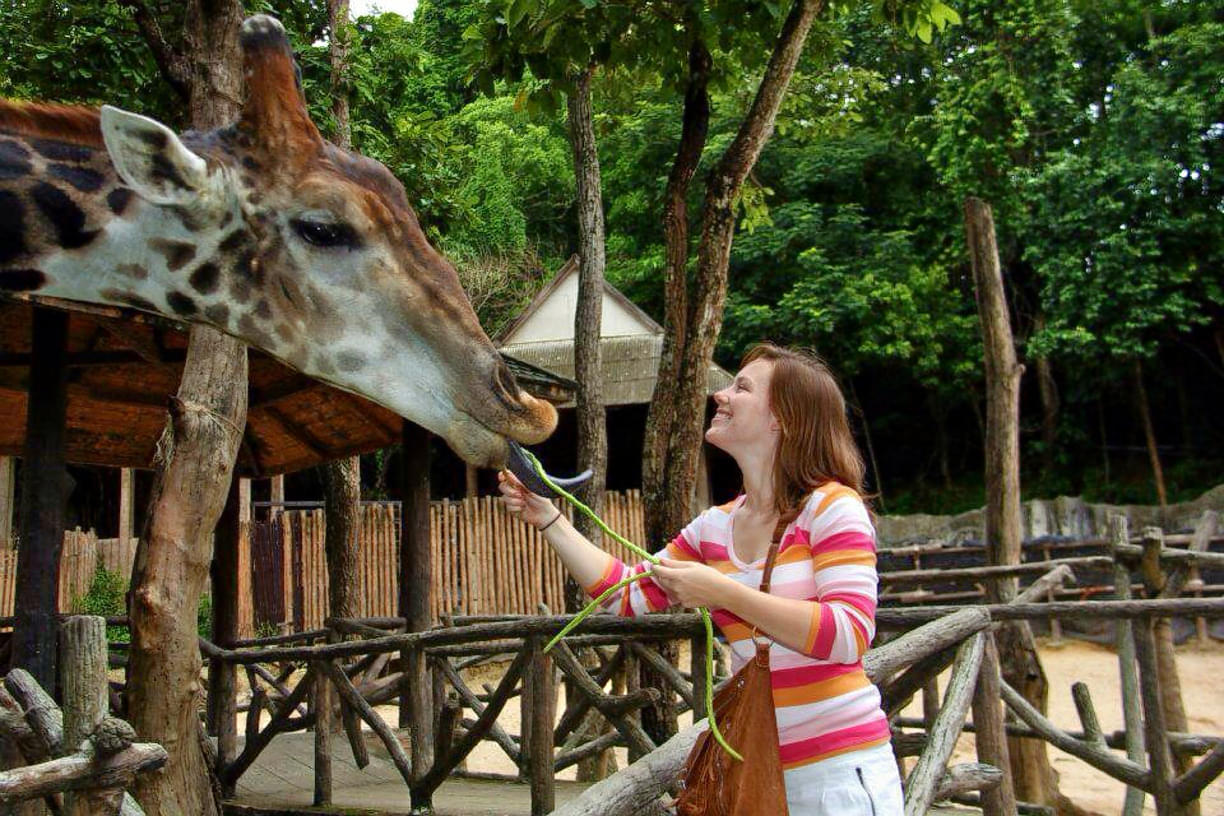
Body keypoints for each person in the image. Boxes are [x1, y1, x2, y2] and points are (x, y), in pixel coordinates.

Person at [498, 343, 903, 815]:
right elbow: (622, 595)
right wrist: (548, 518)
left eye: (742, 387)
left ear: (783, 420)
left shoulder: (833, 508)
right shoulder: (714, 527)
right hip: (757, 772)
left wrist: (722, 592)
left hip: (840, 775)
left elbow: (849, 634)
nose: (721, 395)